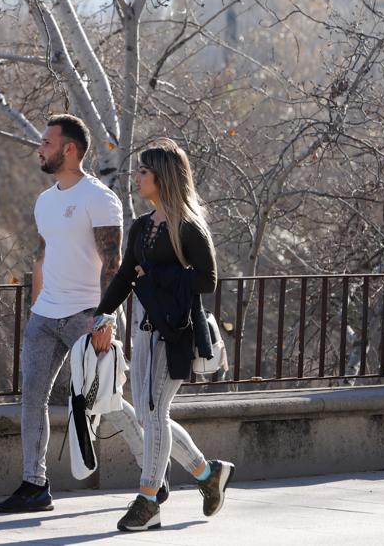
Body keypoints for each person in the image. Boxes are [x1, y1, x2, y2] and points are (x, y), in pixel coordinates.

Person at [0, 114, 177, 513]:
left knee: (106, 400)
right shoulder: (45, 201)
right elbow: (44, 257)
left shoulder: (99, 198)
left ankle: (155, 476)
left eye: (46, 142)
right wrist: (35, 310)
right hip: (45, 316)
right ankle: (34, 484)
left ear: (69, 149)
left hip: (85, 316)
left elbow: (113, 266)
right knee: (32, 399)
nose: (39, 149)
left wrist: (106, 318)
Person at [94, 138, 235, 532]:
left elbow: (207, 280)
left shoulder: (188, 227)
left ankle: (149, 498)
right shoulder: (141, 226)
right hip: (143, 330)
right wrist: (102, 315)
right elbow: (125, 276)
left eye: (144, 171)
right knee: (149, 414)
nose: (137, 177)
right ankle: (207, 474)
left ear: (163, 177)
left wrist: (155, 276)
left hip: (175, 333)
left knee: (153, 413)